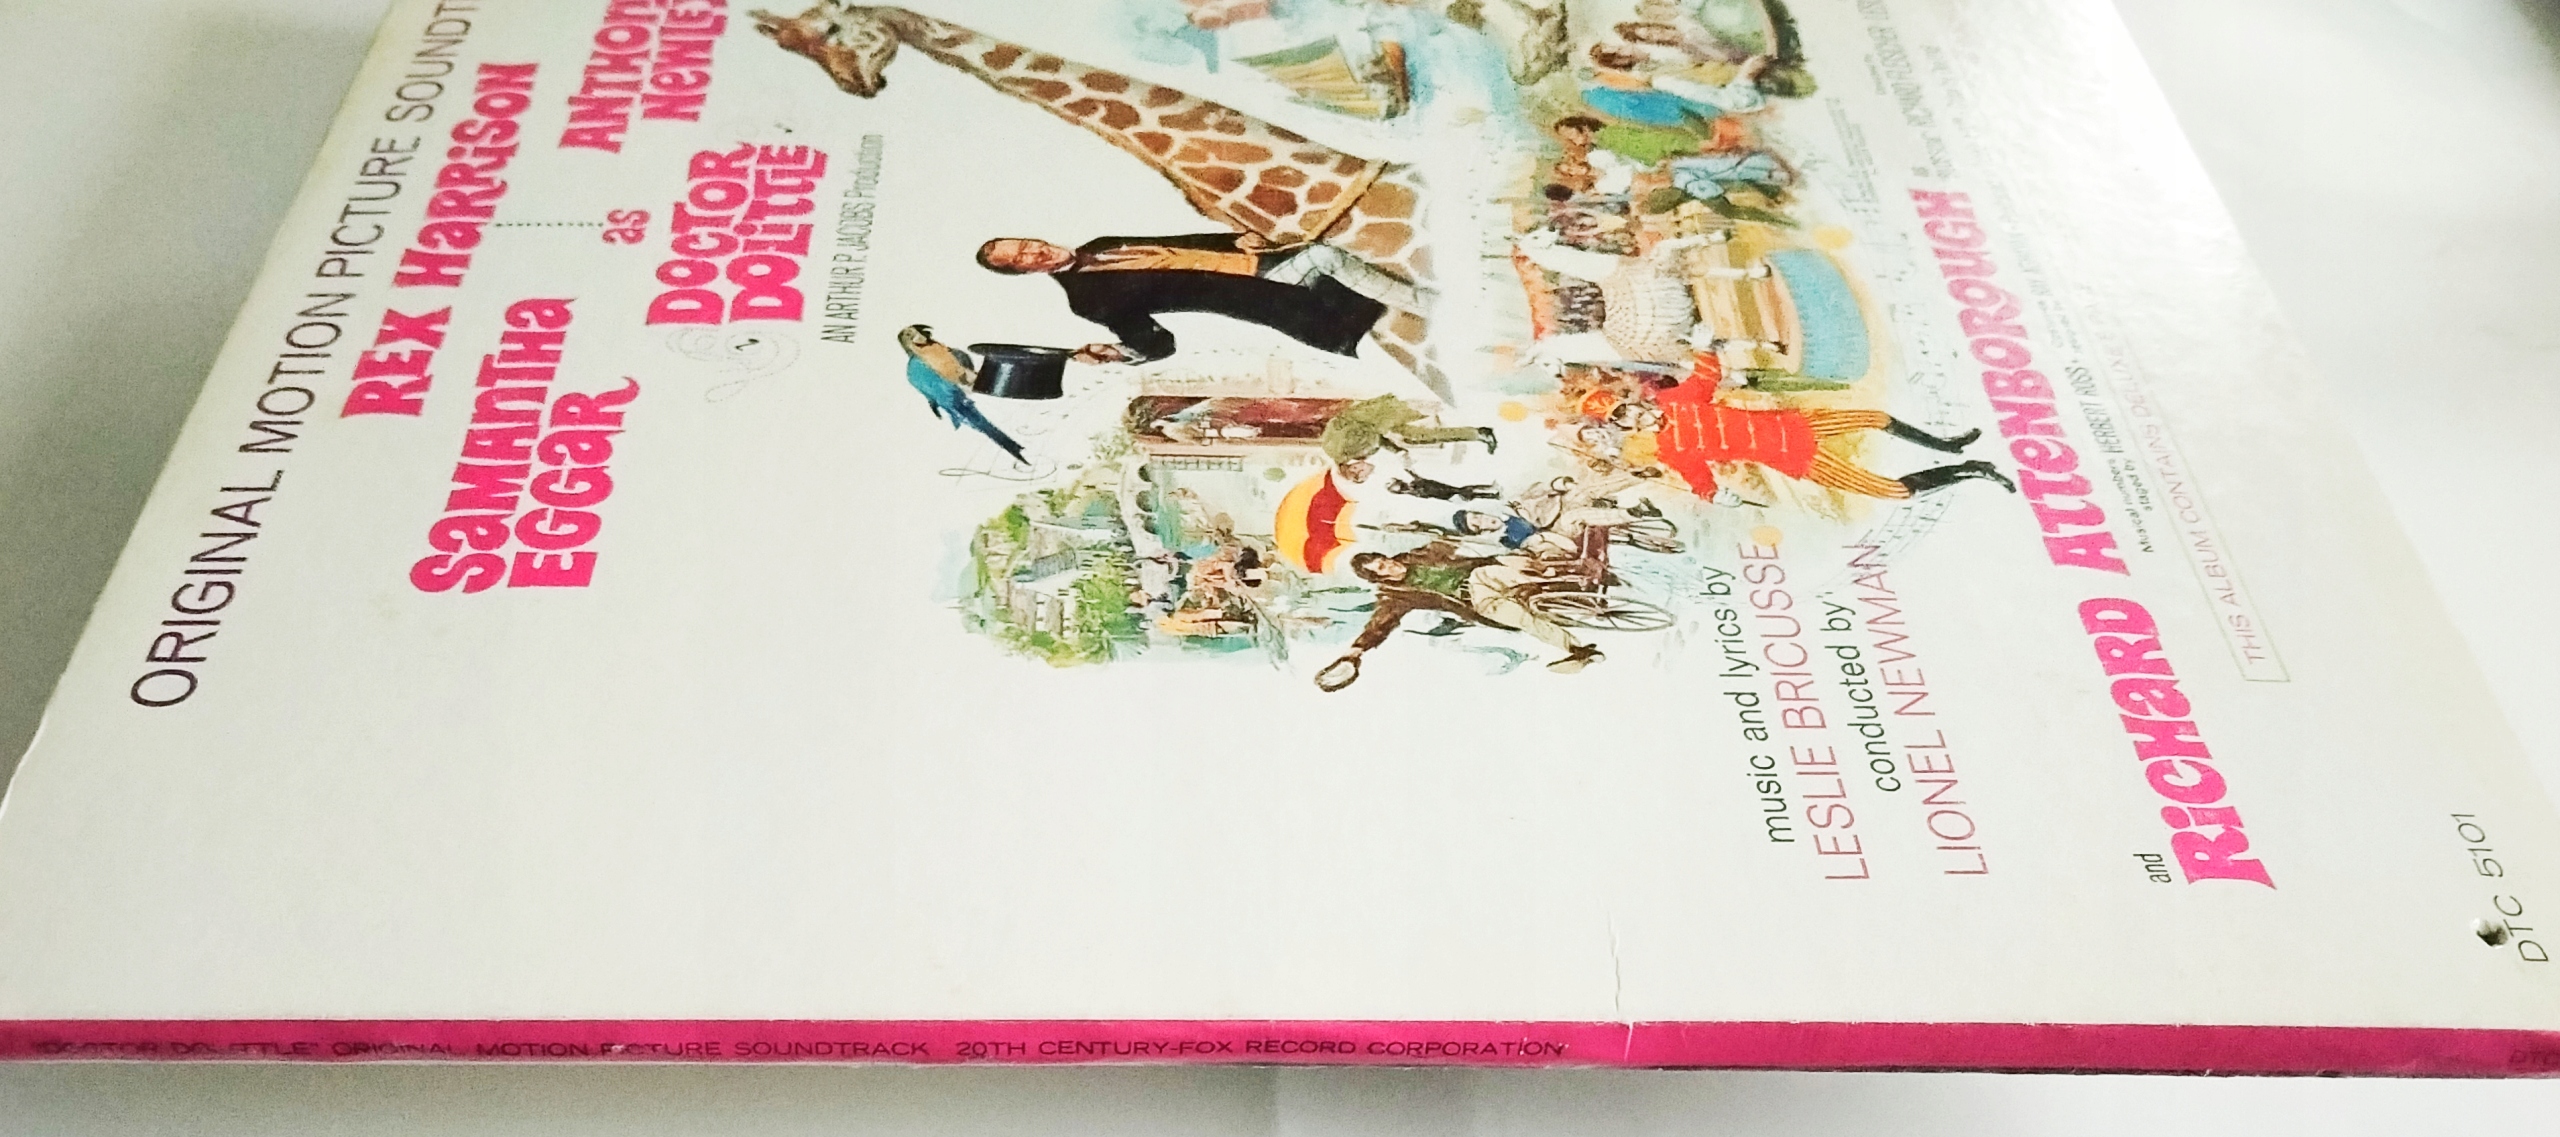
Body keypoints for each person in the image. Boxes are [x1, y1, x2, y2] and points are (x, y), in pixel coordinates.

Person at [976, 234, 1423, 365]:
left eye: (1028, 244)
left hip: (1262, 262)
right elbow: (1159, 343)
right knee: (1325, 256)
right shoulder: (1086, 300)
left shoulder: (1103, 243)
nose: (1036, 252)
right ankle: (1429, 304)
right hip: (1270, 297)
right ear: (1025, 272)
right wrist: (1120, 353)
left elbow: (1182, 242)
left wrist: (1234, 237)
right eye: (1022, 259)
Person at [1326, 540, 1603, 684]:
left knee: (1499, 567)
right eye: (1382, 568)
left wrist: (1448, 537)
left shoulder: (1415, 556)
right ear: (1377, 578)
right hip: (1477, 601)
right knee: (1524, 619)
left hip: (1484, 573)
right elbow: (1379, 624)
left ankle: (1568, 576)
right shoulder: (1394, 596)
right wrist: (1356, 651)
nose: (1391, 565)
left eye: (1385, 560)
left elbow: (1448, 544)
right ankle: (1577, 650)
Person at [1321, 394, 1497, 483]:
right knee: (1418, 437)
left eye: (1366, 475)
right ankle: (1478, 433)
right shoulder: (1350, 455)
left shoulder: (1342, 450)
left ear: (1356, 470)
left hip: (1380, 413)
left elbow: (1370, 433)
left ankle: (1477, 424)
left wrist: (1398, 450)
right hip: (1379, 419)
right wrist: (1399, 452)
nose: (1370, 472)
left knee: (1425, 415)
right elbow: (1375, 438)